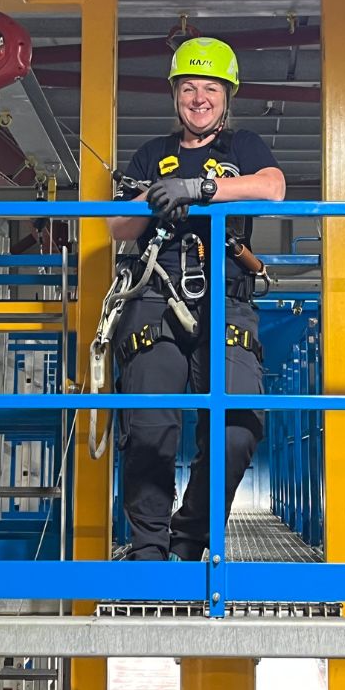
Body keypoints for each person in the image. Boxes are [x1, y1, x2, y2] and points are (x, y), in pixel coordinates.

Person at [108, 36, 286, 562]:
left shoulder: (243, 148)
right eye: (189, 87)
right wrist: (153, 198)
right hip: (155, 300)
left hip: (225, 302)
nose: (199, 97)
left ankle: (188, 539)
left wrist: (198, 190)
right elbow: (119, 226)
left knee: (236, 429)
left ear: (227, 96)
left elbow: (273, 187)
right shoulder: (151, 156)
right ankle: (148, 549)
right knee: (149, 427)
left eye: (210, 88)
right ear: (175, 95)